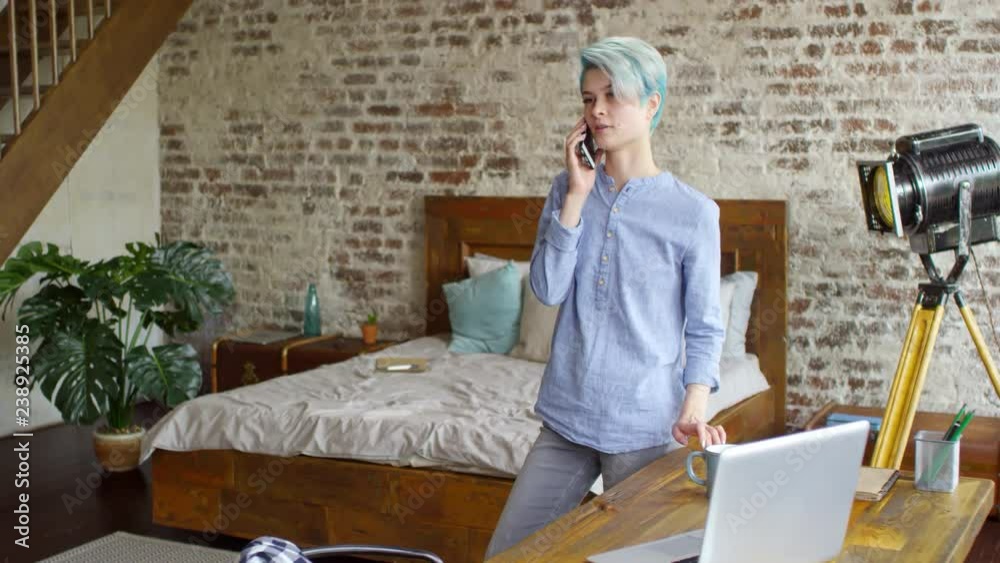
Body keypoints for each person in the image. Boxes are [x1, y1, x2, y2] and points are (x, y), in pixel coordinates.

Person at [484, 36, 727, 559]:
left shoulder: (694, 213)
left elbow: (705, 325)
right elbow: (547, 291)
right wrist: (575, 195)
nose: (597, 110)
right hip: (567, 416)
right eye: (588, 98)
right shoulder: (566, 188)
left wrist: (694, 404)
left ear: (651, 104)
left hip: (644, 425)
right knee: (509, 555)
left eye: (613, 95)